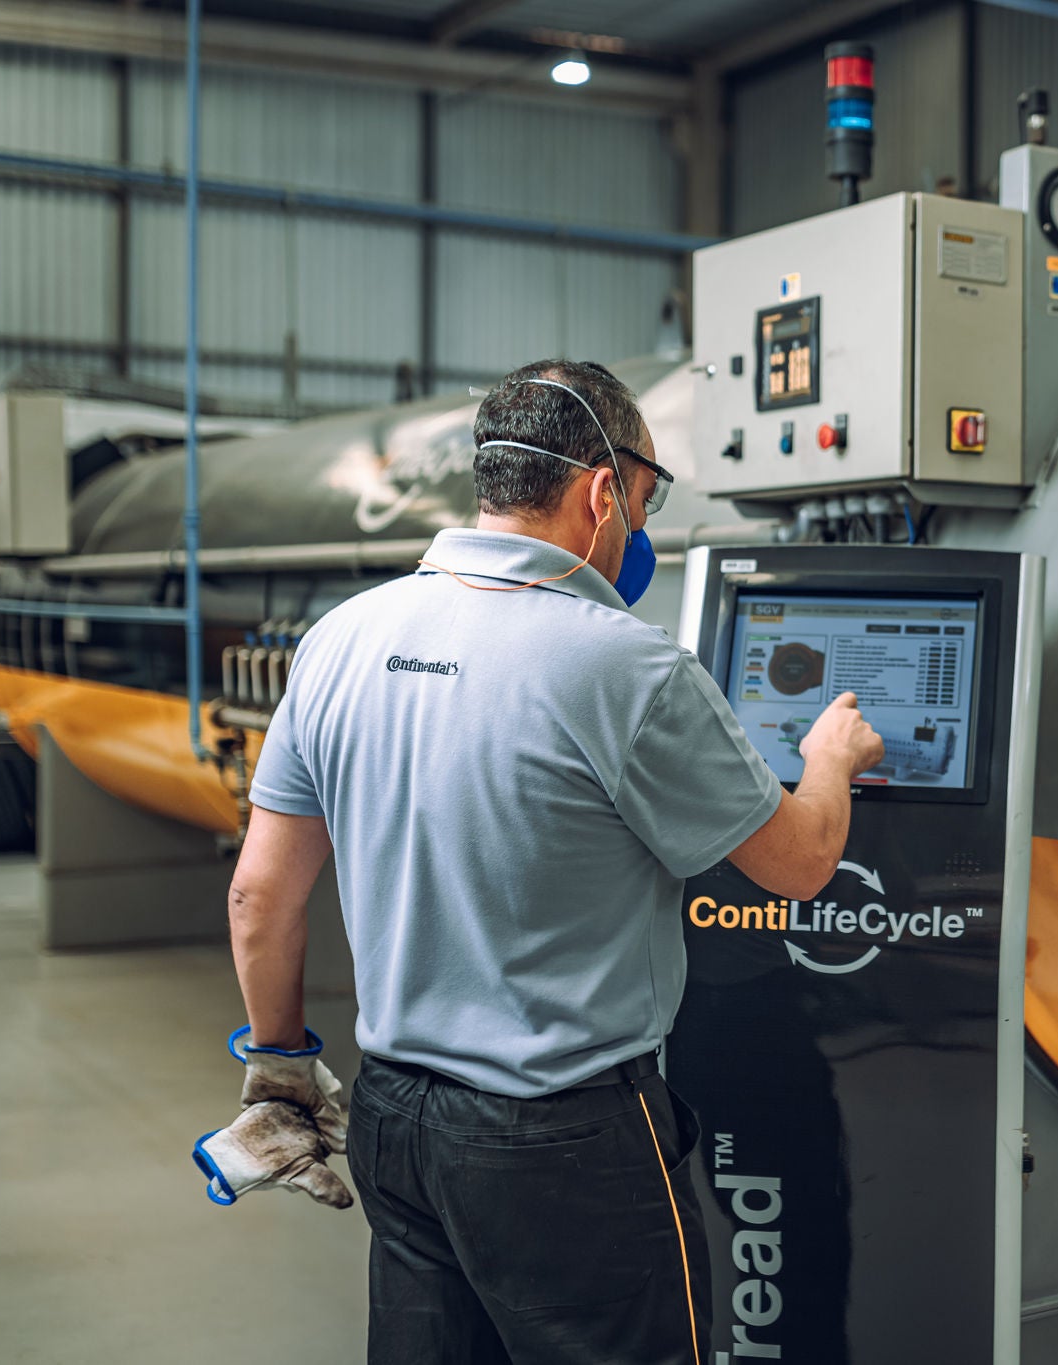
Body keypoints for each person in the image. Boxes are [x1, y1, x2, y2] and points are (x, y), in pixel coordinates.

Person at [209, 359, 884, 1364]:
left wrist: (281, 1068)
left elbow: (259, 897)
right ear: (603, 491)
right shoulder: (626, 665)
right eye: (644, 504)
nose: (638, 535)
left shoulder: (340, 639)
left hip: (394, 1120)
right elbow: (797, 862)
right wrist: (828, 762)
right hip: (563, 1142)